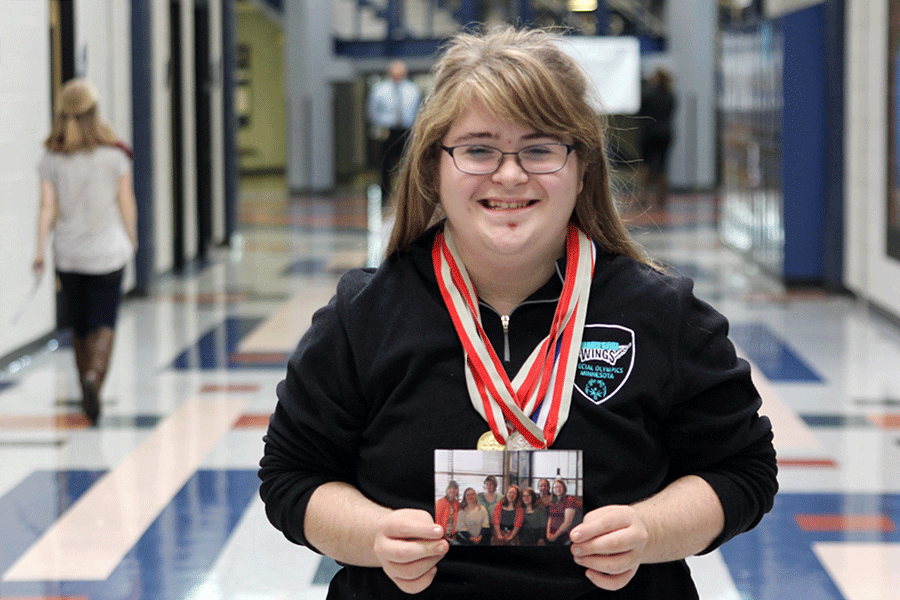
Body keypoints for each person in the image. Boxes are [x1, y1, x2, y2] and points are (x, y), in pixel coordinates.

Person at [259, 25, 777, 599]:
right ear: (434, 168)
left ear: (581, 170)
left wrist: (652, 530)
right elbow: (293, 477)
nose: (509, 175)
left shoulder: (662, 314)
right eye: (478, 148)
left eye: (540, 148)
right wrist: (373, 536)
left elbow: (744, 469)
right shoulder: (365, 316)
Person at [33, 79, 137, 426]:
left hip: (69, 254)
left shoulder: (52, 158)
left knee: (79, 324)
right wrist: (133, 239)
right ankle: (94, 377)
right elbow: (126, 202)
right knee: (104, 320)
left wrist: (39, 250)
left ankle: (83, 386)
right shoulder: (115, 156)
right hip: (107, 253)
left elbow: (47, 208)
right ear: (95, 112)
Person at [367, 59, 422, 202]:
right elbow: (372, 112)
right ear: (389, 73)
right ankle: (385, 194)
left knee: (409, 163)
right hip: (388, 131)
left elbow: (418, 111)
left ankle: (408, 195)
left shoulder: (412, 90)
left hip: (407, 131)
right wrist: (379, 127)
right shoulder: (380, 90)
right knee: (385, 163)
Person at [638, 68, 676, 207]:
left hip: (649, 133)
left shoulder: (648, 94)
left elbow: (640, 112)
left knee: (646, 164)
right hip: (665, 133)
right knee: (662, 166)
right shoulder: (670, 95)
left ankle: (643, 196)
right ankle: (661, 198)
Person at [546, 479, 578, 545]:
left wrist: (555, 536)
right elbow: (550, 517)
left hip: (564, 534)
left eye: (560, 486)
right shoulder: (553, 500)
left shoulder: (569, 500)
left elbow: (567, 523)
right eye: (555, 487)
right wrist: (548, 533)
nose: (557, 489)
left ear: (564, 488)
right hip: (551, 533)